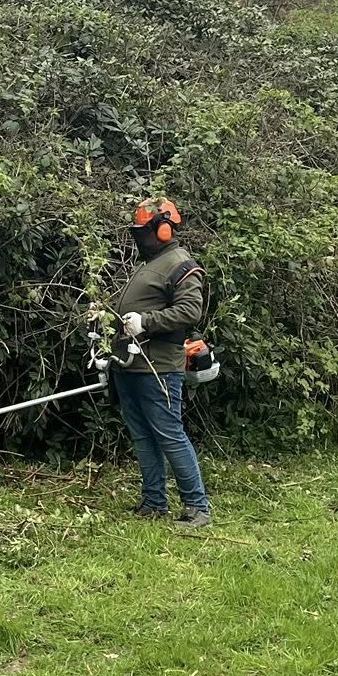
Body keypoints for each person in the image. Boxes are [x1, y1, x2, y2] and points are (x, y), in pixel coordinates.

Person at [107, 197, 211, 530]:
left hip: (159, 366)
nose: (139, 239)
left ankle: (198, 507)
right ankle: (154, 502)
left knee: (169, 435)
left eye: (143, 232)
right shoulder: (150, 264)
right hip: (130, 364)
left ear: (163, 229)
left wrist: (145, 322)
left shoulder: (180, 263)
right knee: (142, 436)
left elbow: (191, 311)